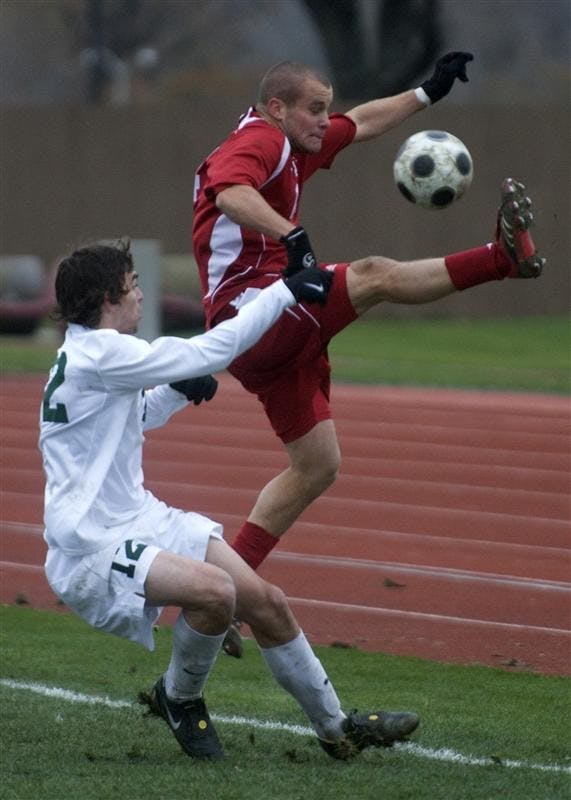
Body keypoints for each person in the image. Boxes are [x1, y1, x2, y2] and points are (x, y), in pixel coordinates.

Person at [191, 54, 546, 657]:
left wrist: (427, 94)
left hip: (268, 329)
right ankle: (500, 260)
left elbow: (363, 123)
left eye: (325, 107)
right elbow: (228, 191)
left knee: (317, 465)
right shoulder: (258, 139)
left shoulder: (292, 139)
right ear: (277, 108)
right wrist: (291, 235)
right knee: (376, 275)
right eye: (314, 108)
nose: (324, 120)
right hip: (253, 310)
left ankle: (223, 588)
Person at [39, 240, 419, 761]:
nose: (142, 295)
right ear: (109, 298)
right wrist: (283, 291)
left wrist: (173, 393)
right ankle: (180, 696)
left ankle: (339, 731)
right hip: (89, 545)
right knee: (217, 594)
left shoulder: (85, 355)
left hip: (137, 516)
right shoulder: (101, 353)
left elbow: (128, 423)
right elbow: (210, 350)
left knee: (267, 603)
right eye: (132, 287)